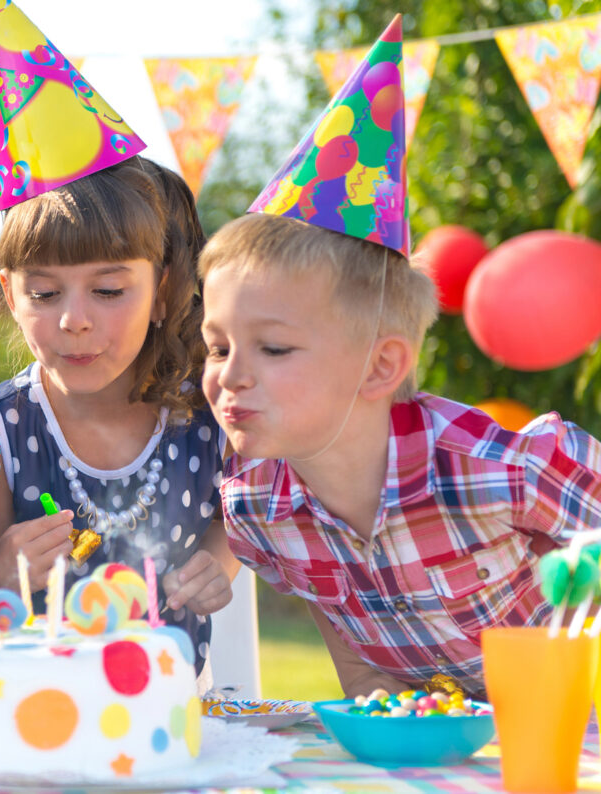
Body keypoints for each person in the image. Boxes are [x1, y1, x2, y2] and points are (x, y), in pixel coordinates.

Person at [199, 17, 601, 700]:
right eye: (217, 345)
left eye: (272, 348)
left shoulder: (503, 469)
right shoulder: (257, 511)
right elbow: (356, 658)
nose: (230, 373)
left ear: (381, 367)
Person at [0, 2, 237, 688]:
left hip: (170, 727)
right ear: (8, 290)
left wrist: (221, 562)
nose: (74, 321)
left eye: (108, 292)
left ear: (163, 288)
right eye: (45, 293)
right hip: (26, 723)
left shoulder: (209, 420)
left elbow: (248, 517)